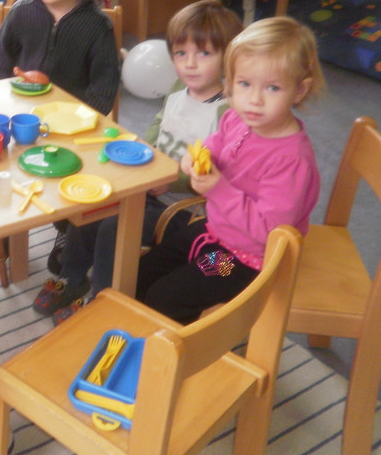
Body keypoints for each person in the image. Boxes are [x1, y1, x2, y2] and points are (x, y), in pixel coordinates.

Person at [36, 0, 243, 323]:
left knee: (114, 227)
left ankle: (103, 298)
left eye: (204, 53)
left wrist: (167, 178)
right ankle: (72, 278)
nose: (190, 64)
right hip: (149, 187)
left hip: (184, 209)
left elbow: (214, 174)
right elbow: (158, 126)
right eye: (181, 53)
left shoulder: (228, 112)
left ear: (228, 57)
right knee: (91, 206)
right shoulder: (179, 87)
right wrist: (143, 156)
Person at [136, 16, 325, 324]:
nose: (254, 100)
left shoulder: (291, 161)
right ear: (230, 81)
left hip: (244, 258)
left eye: (273, 87)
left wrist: (218, 189)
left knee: (165, 298)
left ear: (299, 91)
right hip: (216, 230)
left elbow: (269, 232)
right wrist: (199, 157)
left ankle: (177, 344)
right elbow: (217, 142)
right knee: (145, 270)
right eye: (245, 84)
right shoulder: (238, 117)